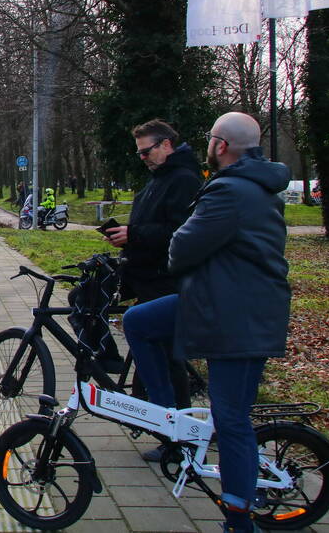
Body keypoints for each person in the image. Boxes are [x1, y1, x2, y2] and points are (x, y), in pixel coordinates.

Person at [122, 112, 290, 533]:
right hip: (220, 302)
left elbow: (181, 247)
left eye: (211, 139)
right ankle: (168, 417)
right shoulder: (255, 187)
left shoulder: (230, 190)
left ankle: (239, 520)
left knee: (231, 419)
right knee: (138, 321)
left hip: (236, 317)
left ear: (221, 145)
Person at [104, 118, 202, 459]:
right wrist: (127, 236)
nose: (143, 158)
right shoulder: (161, 177)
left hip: (164, 277)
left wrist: (134, 234)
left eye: (146, 151)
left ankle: (177, 438)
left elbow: (181, 231)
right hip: (143, 271)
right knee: (84, 298)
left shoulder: (184, 179)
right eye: (139, 153)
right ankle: (113, 365)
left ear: (166, 145)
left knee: (168, 356)